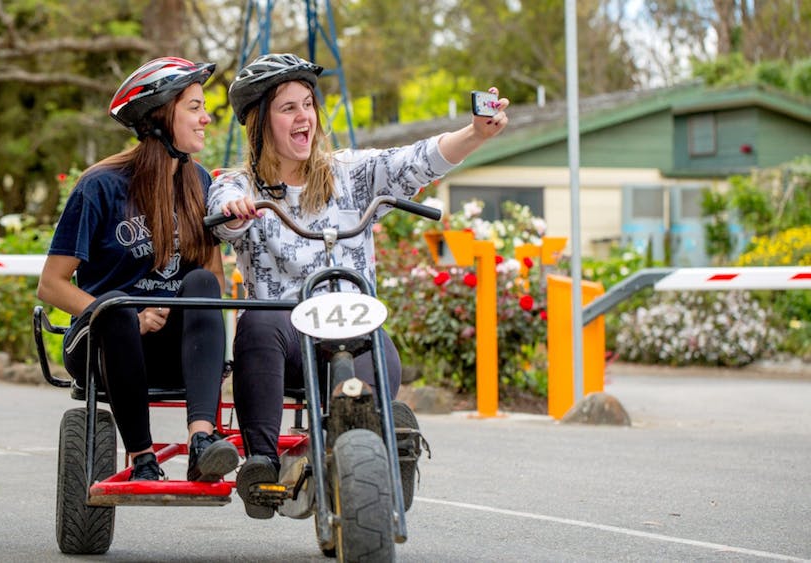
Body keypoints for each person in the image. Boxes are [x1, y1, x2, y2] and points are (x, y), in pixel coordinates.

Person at [207, 53, 510, 517]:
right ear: (260, 124)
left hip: (350, 325)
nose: (303, 116)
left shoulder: (350, 174)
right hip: (282, 340)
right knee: (258, 324)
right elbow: (223, 211)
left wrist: (474, 133)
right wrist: (235, 211)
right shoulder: (240, 184)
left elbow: (418, 160)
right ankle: (263, 462)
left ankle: (357, 453)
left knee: (382, 353)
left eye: (307, 104)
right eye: (288, 108)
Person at [37, 57, 238, 483]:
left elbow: (213, 279)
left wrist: (172, 313)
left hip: (172, 351)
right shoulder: (100, 186)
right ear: (161, 115)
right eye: (194, 107)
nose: (206, 118)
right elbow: (51, 286)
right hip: (101, 349)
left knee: (201, 282)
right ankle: (143, 456)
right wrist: (131, 314)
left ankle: (203, 440)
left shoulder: (198, 181)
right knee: (115, 305)